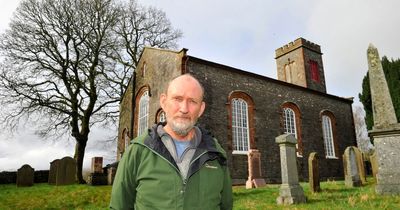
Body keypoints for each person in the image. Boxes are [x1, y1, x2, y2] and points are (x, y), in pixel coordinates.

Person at [110, 74, 233, 210]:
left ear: (201, 109)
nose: (184, 109)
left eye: (192, 101)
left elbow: (226, 206)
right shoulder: (137, 151)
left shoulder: (216, 154)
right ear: (163, 102)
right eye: (177, 99)